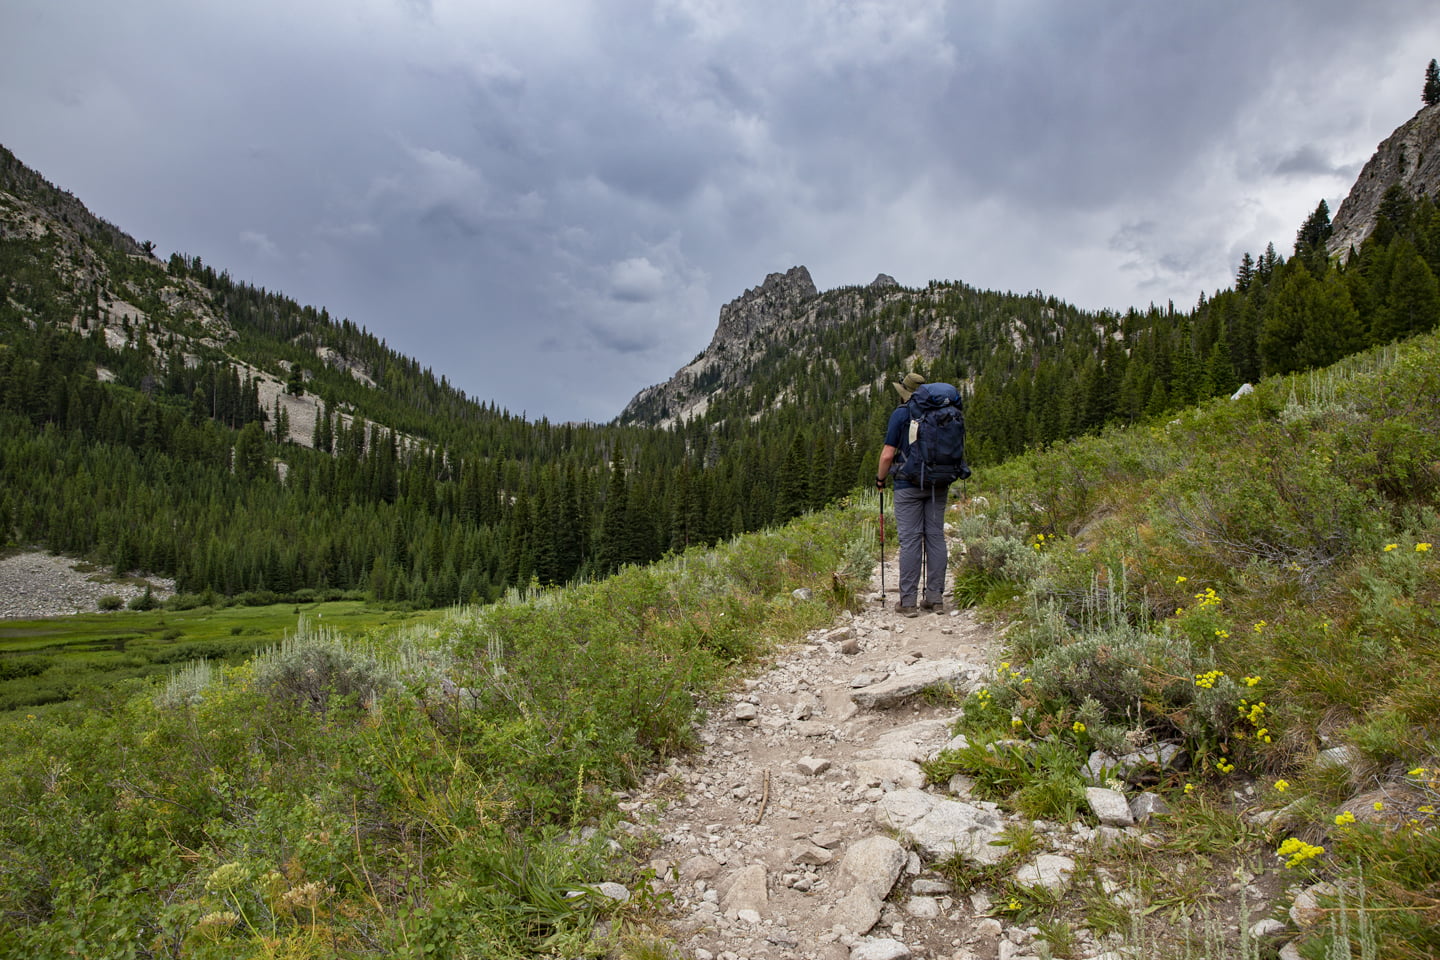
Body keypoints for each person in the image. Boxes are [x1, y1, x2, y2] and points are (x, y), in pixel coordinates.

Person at [875, 373, 948, 617]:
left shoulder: (902, 413)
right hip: (939, 482)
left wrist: (880, 479)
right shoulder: (943, 412)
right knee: (936, 537)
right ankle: (935, 599)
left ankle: (908, 602)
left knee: (911, 540)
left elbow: (887, 455)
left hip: (908, 485)